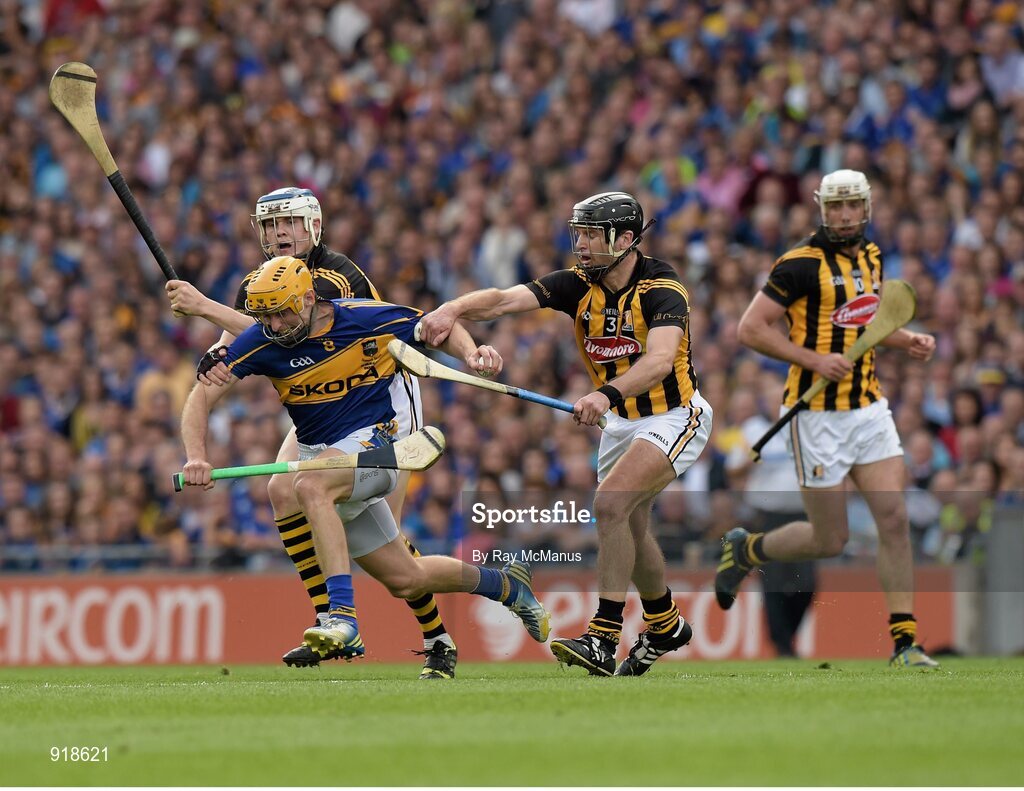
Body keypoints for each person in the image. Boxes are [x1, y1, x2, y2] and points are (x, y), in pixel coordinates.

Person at [180, 256, 551, 663]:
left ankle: (340, 618)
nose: (276, 325)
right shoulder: (262, 339)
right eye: (265, 317)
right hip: (322, 455)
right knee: (408, 579)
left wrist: (471, 353)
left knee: (308, 486)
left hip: (378, 445)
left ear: (307, 298)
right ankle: (507, 585)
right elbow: (201, 398)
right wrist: (196, 457)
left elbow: (436, 328)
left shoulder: (365, 318)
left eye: (283, 313)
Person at [167, 187, 457, 679]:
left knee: (394, 559)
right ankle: (332, 620)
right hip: (322, 408)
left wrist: (205, 307)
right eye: (270, 225)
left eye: (290, 223)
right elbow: (251, 340)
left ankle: (435, 637)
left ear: (313, 227)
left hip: (382, 400)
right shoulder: (258, 282)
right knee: (283, 489)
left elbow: (295, 337)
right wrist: (219, 355)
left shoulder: (338, 274)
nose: (280, 233)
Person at [419, 192, 712, 676]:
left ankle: (602, 637)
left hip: (675, 415)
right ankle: (665, 623)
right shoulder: (577, 284)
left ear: (624, 239)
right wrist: (452, 309)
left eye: (592, 235)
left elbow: (660, 360)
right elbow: (502, 300)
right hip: (621, 423)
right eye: (578, 232)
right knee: (631, 532)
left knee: (610, 505)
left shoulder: (664, 288)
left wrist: (605, 396)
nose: (580, 244)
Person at [726, 169, 940, 668]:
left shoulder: (872, 255)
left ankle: (905, 642)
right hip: (815, 414)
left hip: (867, 408)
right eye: (835, 207)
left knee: (894, 518)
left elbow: (867, 323)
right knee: (830, 539)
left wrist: (906, 339)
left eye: (853, 206)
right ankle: (747, 551)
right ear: (822, 209)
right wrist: (812, 359)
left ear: (866, 208)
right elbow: (750, 329)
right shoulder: (798, 264)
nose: (844, 216)